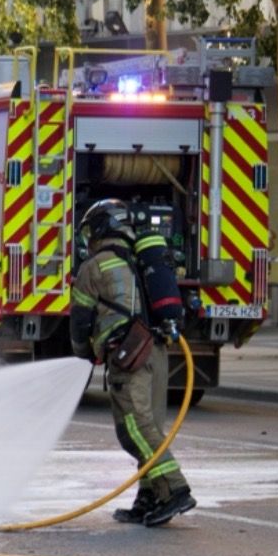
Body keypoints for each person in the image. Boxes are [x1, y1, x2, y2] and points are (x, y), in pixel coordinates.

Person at [70, 198, 196, 527]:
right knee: (149, 427)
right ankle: (149, 498)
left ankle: (175, 489)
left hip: (129, 357)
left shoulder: (94, 266)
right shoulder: (141, 259)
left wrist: (82, 352)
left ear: (100, 228)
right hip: (155, 350)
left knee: (134, 430)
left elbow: (80, 322)